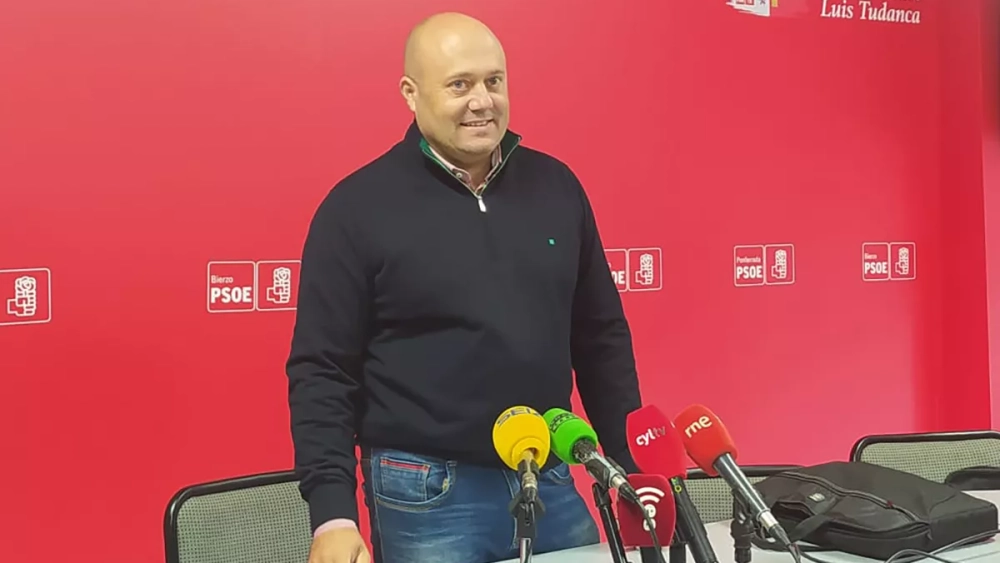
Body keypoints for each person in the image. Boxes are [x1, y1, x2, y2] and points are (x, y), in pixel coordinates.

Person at [286, 11, 643, 563]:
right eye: (459, 85)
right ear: (410, 93)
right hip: (424, 492)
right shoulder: (355, 209)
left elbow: (601, 338)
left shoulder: (557, 186)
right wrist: (332, 514)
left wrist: (632, 469)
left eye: (493, 81)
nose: (482, 101)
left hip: (549, 474)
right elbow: (323, 371)